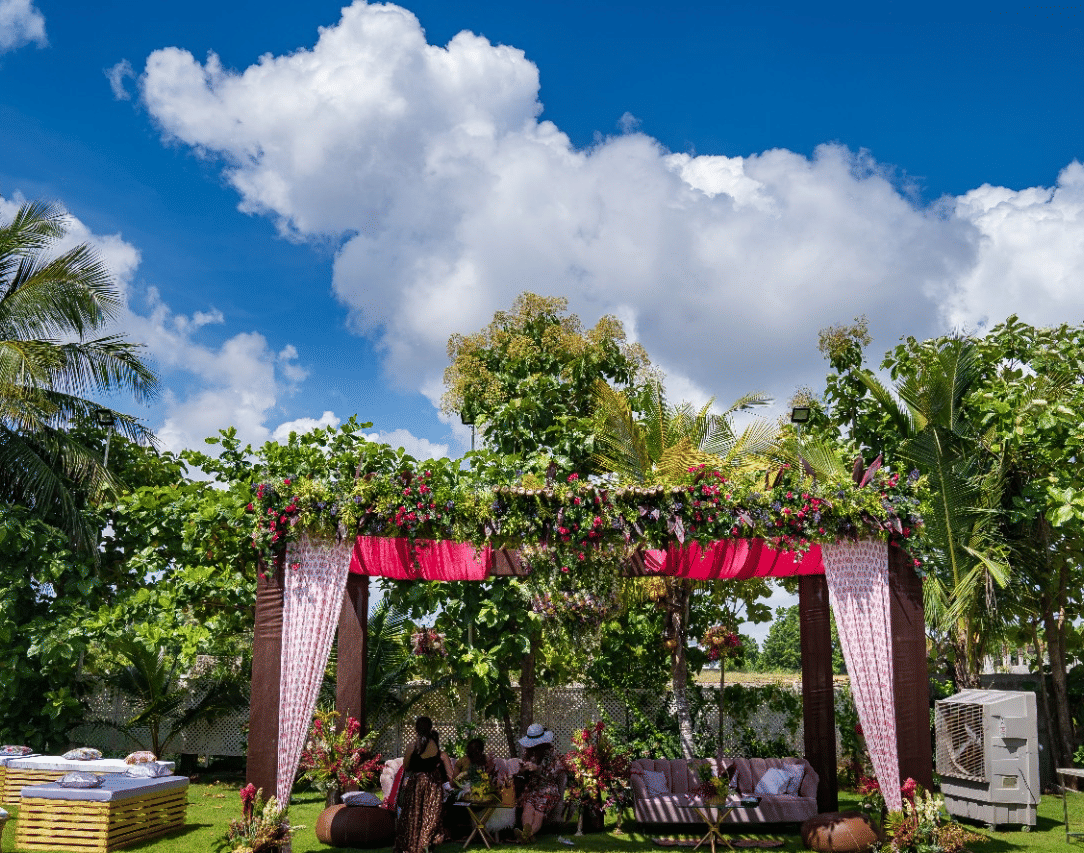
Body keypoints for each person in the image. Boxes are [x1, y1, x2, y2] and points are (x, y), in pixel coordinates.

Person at [395, 716, 455, 853]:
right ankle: (426, 844)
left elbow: (406, 767)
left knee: (414, 815)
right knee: (429, 815)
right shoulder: (436, 747)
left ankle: (412, 846)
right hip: (433, 786)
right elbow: (450, 775)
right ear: (430, 728)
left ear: (416, 729)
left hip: (417, 784)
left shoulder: (412, 746)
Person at [515, 724, 564, 841]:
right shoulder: (528, 752)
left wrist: (537, 768)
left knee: (538, 812)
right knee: (528, 808)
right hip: (532, 788)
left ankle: (526, 835)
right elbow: (523, 772)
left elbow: (552, 773)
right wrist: (523, 769)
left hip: (547, 788)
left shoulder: (552, 754)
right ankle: (527, 835)